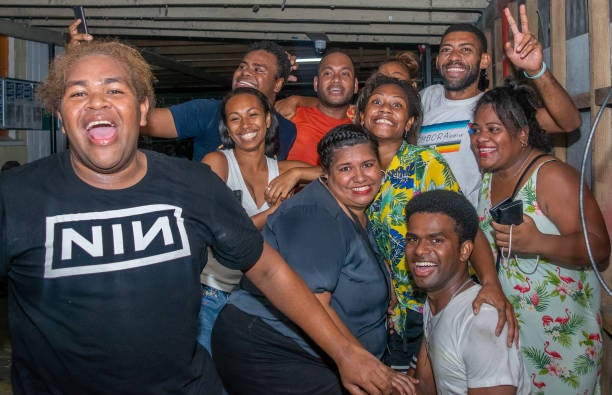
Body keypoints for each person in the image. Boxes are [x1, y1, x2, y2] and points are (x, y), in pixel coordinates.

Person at [0, 39, 414, 395]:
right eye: (77, 94)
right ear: (59, 112)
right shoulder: (16, 198)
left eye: (114, 90)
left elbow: (267, 269)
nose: (96, 103)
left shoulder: (192, 184)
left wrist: (346, 354)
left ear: (143, 107)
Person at [212, 124, 416, 394]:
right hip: (273, 349)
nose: (359, 177)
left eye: (367, 164)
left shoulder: (353, 208)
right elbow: (314, 303)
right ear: (326, 174)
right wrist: (358, 359)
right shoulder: (315, 214)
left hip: (312, 353)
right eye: (345, 168)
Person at [356, 74, 515, 373]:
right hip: (378, 310)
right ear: (363, 116)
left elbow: (465, 224)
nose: (385, 109)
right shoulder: (354, 169)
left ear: (409, 122)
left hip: (426, 304)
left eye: (396, 105)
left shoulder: (425, 162)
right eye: (376, 102)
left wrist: (491, 284)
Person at [471, 81, 610, 394]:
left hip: (561, 341)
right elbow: (482, 237)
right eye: (476, 129)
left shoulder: (551, 176)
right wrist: (490, 282)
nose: (481, 139)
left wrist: (539, 243)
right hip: (513, 337)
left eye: (494, 129)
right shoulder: (490, 174)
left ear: (522, 134)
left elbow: (599, 246)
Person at [418, 5, 582, 207]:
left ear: (484, 61)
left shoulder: (495, 108)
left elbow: (569, 123)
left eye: (466, 50)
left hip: (474, 230)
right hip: (423, 226)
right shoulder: (424, 99)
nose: (454, 57)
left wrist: (537, 70)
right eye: (446, 50)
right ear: (437, 61)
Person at [68, 20, 297, 161]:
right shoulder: (207, 112)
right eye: (242, 66)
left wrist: (300, 99)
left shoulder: (287, 129)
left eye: (258, 70)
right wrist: (84, 67)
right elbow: (136, 118)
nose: (245, 73)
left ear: (278, 84)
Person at [198, 87, 317, 352]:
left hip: (260, 297)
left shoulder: (281, 169)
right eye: (235, 118)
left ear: (266, 120)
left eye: (252, 115)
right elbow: (221, 236)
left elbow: (335, 174)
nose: (245, 125)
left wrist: (297, 172)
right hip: (212, 294)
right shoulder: (217, 162)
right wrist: (273, 213)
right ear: (227, 128)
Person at [406, 190, 530, 395]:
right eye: (413, 239)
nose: (419, 250)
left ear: (464, 251)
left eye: (436, 240)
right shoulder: (434, 302)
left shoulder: (483, 321)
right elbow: (425, 386)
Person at [285, 49, 359, 166]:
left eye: (344, 74)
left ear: (355, 86)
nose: (336, 79)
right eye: (328, 73)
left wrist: (300, 173)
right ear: (316, 84)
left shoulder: (358, 138)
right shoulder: (290, 114)